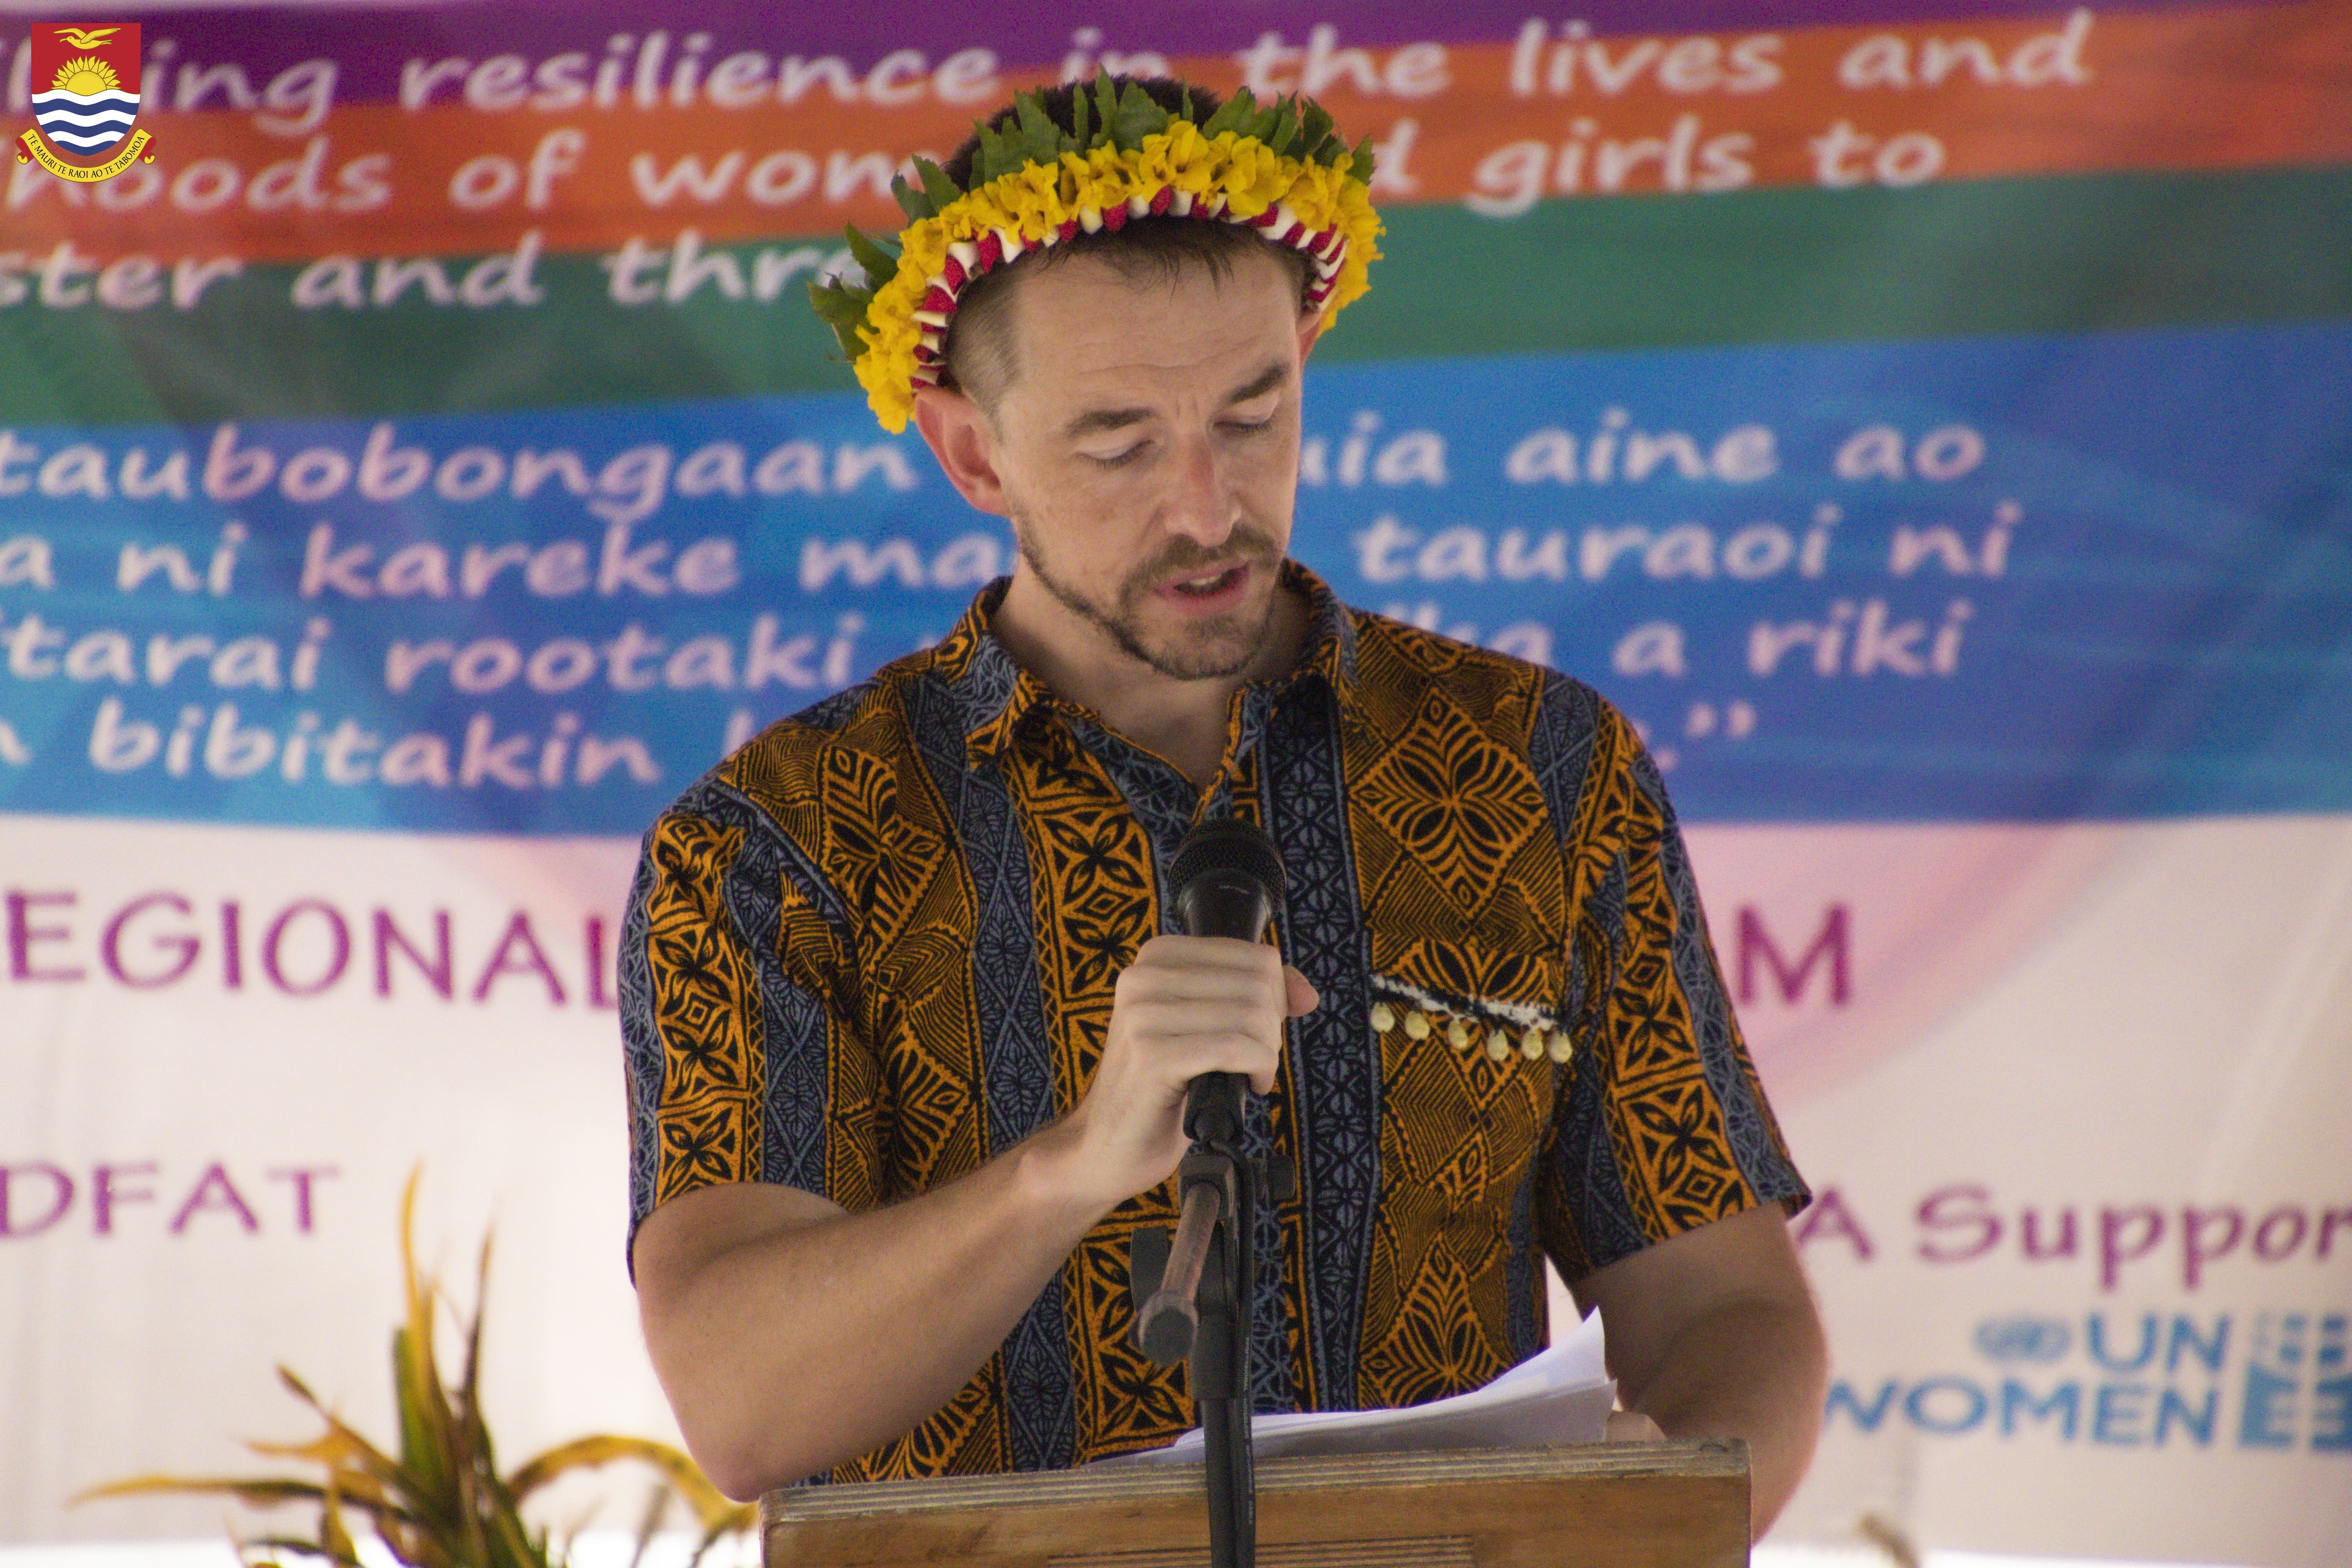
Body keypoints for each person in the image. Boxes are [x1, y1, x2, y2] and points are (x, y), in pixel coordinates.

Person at [620, 75, 1826, 1539]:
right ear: (971, 453)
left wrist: (1628, 1547)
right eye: (1119, 443)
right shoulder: (776, 843)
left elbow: (1731, 1312)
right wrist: (1070, 1168)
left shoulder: (1544, 769)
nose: (1209, 506)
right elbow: (745, 1407)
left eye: (1255, 414)